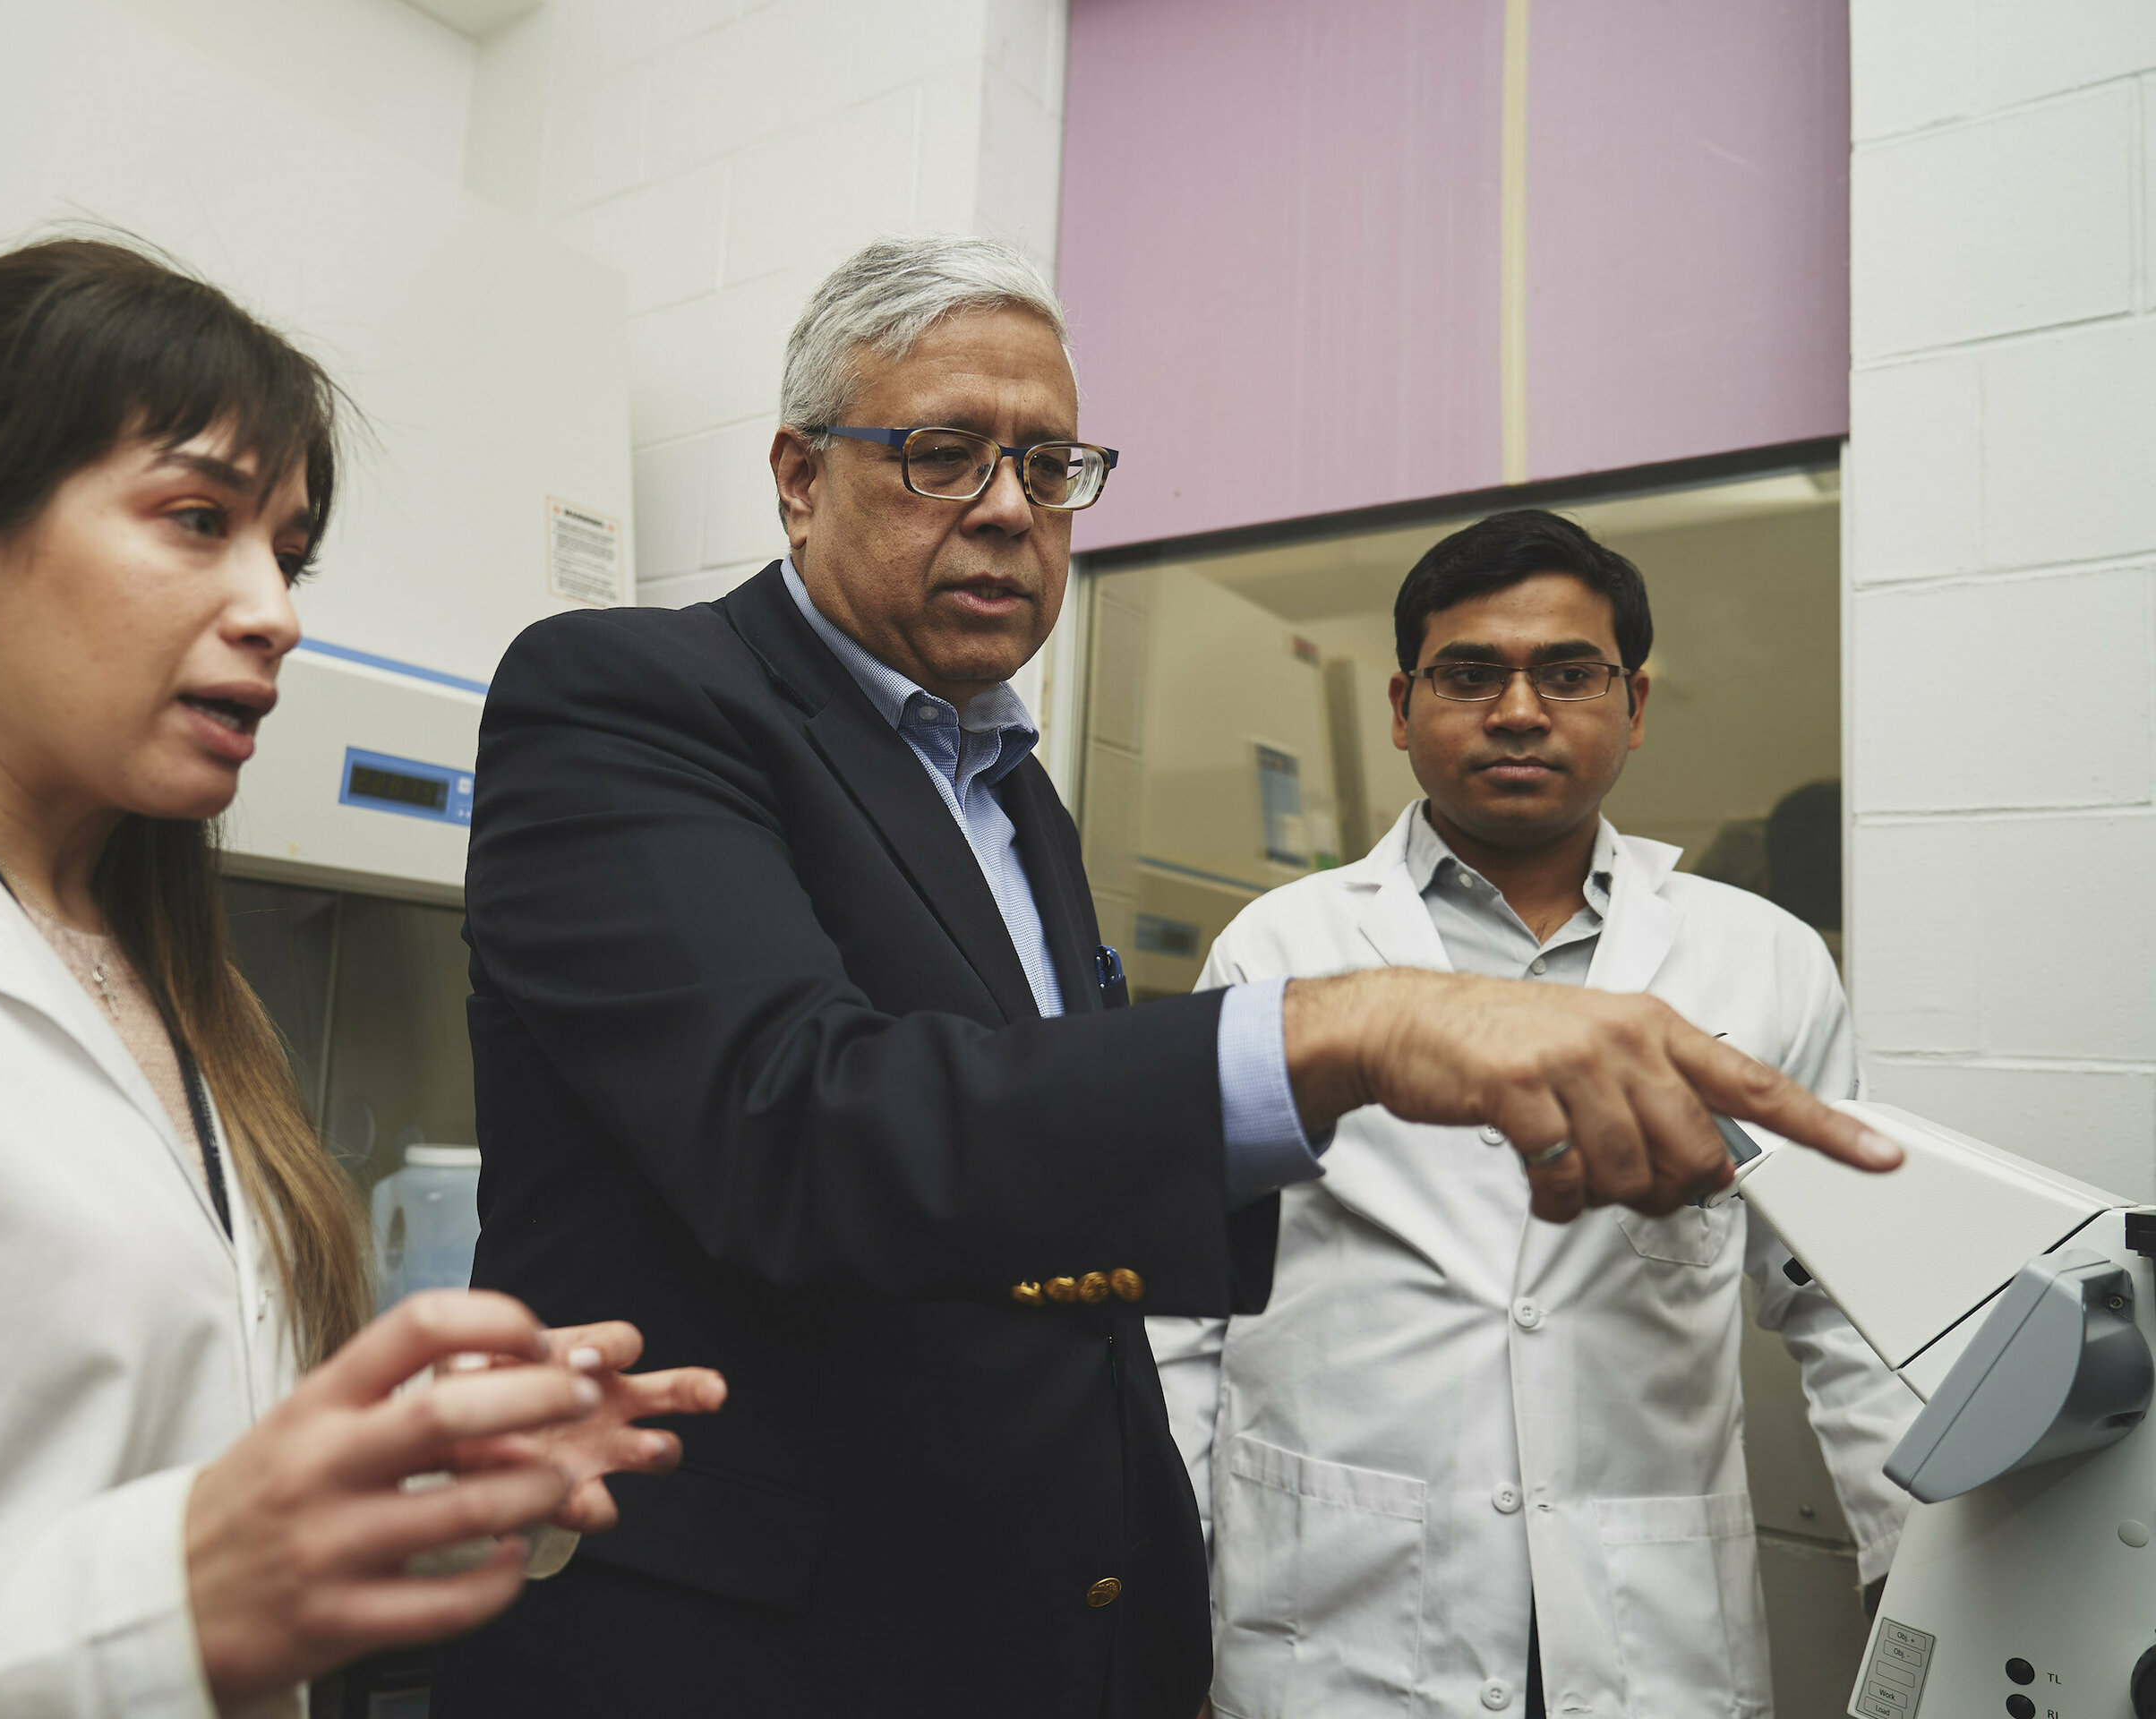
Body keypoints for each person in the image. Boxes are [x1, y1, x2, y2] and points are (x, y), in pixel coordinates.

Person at [430, 237, 1899, 1717]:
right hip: (736, 1649)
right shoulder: (630, 695)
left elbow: (1066, 1243)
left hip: (1011, 1634)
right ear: (799, 477)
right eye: (944, 455)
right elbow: (800, 1123)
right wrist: (1366, 1023)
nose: (1010, 510)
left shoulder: (1010, 798)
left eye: (1052, 465)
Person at [0, 238, 722, 1716]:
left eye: (287, 554)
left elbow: (111, 1477)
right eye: (197, 519)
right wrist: (175, 1594)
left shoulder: (179, 997)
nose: (276, 611)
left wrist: (412, 1478)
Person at [1158, 511, 1920, 1719]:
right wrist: (1164, 1595)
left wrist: (1912, 1570)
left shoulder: (1762, 963)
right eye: (1470, 675)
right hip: (1333, 1617)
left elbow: (1841, 1309)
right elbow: (1187, 1303)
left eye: (1569, 673)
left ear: (1634, 703)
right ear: (1404, 708)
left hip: (1645, 1627)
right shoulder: (1284, 948)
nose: (1519, 710)